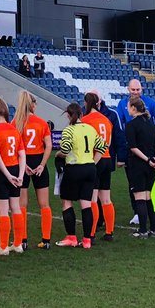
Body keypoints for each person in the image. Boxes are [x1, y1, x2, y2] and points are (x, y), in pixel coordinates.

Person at [56, 102, 104, 248]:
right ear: (82, 115)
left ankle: (71, 237)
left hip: (74, 168)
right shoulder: (90, 129)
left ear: (69, 115)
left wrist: (58, 154)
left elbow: (65, 149)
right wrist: (93, 163)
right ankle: (87, 240)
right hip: (90, 169)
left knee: (67, 202)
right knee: (86, 204)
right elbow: (102, 147)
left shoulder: (68, 130)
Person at [0, 97, 25, 255]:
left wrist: (8, 175)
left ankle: (3, 246)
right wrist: (20, 175)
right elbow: (22, 155)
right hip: (16, 169)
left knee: (3, 211)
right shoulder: (14, 131)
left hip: (2, 172)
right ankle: (17, 243)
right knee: (15, 207)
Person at [15, 91, 53, 248]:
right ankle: (46, 240)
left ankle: (22, 240)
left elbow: (14, 147)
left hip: (23, 163)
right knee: (44, 204)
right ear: (33, 105)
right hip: (38, 161)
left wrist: (24, 165)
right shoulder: (42, 122)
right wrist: (42, 165)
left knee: (22, 204)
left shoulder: (16, 122)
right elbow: (49, 145)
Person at [80, 92, 115, 244]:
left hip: (95, 159)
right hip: (107, 158)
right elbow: (109, 142)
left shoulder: (86, 120)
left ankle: (91, 233)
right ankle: (109, 231)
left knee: (93, 198)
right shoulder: (106, 120)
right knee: (106, 198)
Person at [124, 97, 155, 237]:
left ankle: (143, 230)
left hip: (138, 165)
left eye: (128, 106)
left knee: (140, 197)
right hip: (152, 165)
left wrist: (147, 159)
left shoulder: (131, 125)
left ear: (133, 108)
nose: (127, 109)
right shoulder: (150, 124)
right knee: (149, 197)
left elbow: (133, 147)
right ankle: (153, 229)